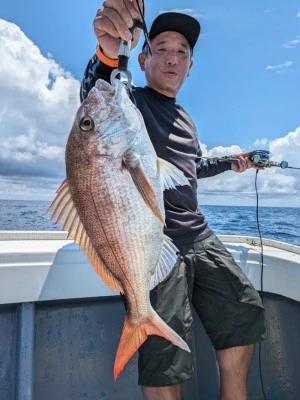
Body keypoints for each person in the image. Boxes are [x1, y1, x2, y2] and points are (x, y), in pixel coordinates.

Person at [80, 2, 266, 399]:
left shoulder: (185, 118)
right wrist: (106, 50)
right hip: (153, 242)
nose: (173, 58)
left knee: (244, 312)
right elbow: (98, 89)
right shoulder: (131, 104)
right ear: (143, 60)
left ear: (190, 66)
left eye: (182, 52)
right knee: (164, 359)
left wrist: (235, 163)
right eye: (162, 48)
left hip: (199, 236)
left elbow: (191, 166)